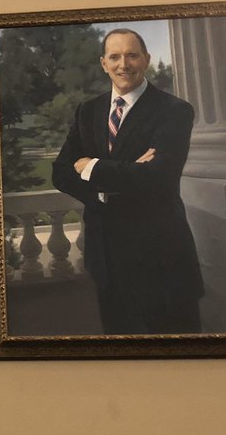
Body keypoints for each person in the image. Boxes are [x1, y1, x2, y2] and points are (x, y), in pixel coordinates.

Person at [51, 29, 203, 334]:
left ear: (145, 60)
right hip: (106, 258)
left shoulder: (174, 111)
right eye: (115, 56)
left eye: (132, 55)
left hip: (161, 260)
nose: (124, 64)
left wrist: (90, 165)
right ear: (103, 63)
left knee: (179, 360)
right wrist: (124, 175)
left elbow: (159, 177)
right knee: (120, 358)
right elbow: (61, 173)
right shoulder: (88, 111)